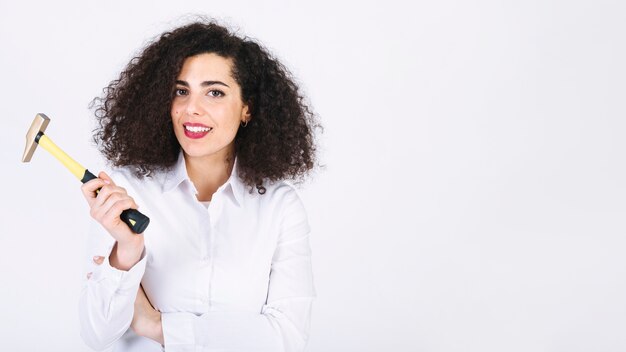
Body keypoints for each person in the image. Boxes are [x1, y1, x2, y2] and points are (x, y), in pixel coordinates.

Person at [78, 20, 319, 352]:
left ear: (247, 107)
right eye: (181, 91)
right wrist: (127, 252)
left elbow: (288, 338)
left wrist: (158, 326)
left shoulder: (280, 207)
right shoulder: (126, 194)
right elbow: (97, 335)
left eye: (215, 92)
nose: (192, 108)